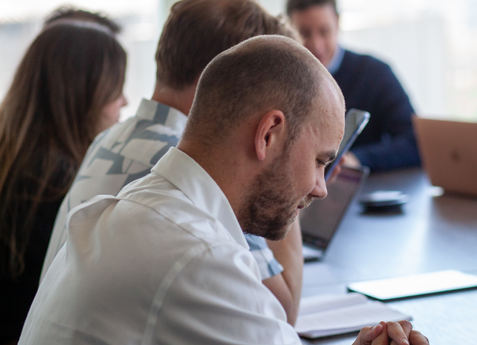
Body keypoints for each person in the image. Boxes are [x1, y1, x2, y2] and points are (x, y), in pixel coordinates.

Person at [10, 35, 442, 345]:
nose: (321, 188)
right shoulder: (193, 257)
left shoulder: (141, 209)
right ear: (269, 134)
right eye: (318, 161)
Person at [42, 0, 305, 326]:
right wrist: (290, 173)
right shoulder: (188, 164)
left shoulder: (111, 139)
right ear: (227, 78)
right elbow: (282, 312)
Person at [0, 22, 127, 345]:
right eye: (115, 88)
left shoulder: (17, 157)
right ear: (81, 92)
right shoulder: (57, 181)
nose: (125, 101)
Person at [286, 0, 420, 172]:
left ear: (338, 24)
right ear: (289, 30)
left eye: (324, 31)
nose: (316, 45)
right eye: (304, 33)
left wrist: (357, 159)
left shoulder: (375, 74)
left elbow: (414, 142)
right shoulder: (281, 82)